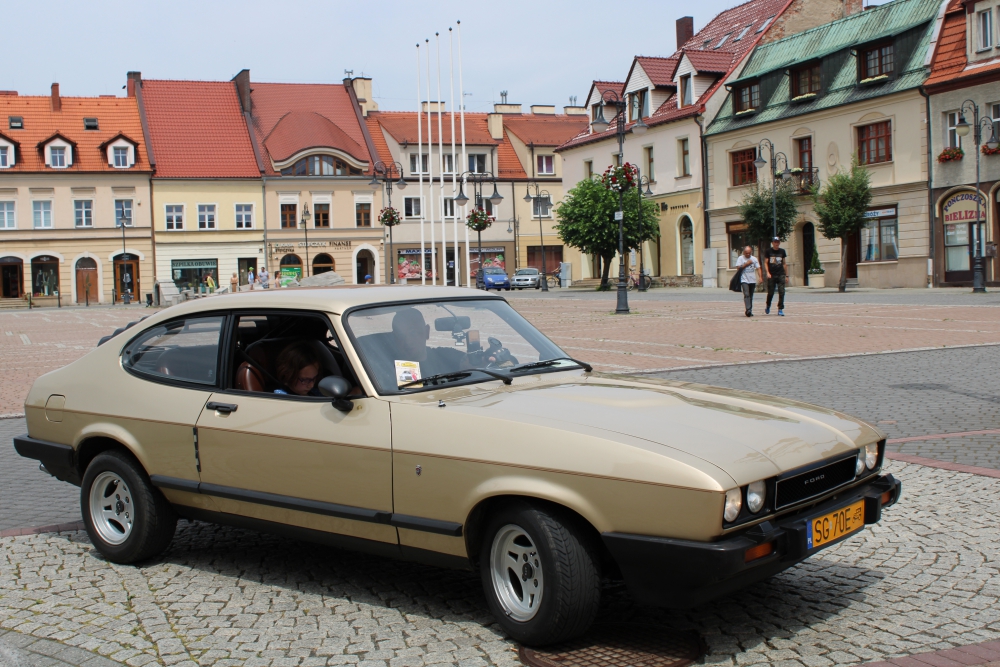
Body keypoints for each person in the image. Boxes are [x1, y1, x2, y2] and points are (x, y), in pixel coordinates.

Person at [735, 245, 762, 317]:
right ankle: (748, 309)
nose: (748, 254)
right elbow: (738, 268)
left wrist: (760, 277)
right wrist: (746, 264)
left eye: (749, 253)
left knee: (751, 295)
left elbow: (758, 268)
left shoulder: (754, 259)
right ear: (744, 252)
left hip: (752, 280)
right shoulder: (740, 258)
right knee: (746, 294)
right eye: (746, 253)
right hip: (744, 279)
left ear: (751, 252)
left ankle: (750, 310)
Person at [764, 236, 787, 316]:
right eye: (775, 242)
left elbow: (784, 263)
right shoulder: (768, 251)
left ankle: (780, 308)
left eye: (777, 242)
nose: (776, 243)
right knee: (771, 292)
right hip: (772, 274)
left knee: (782, 292)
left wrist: (786, 275)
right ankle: (768, 305)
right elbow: (766, 263)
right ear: (772, 243)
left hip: (780, 274)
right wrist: (767, 272)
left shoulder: (782, 251)